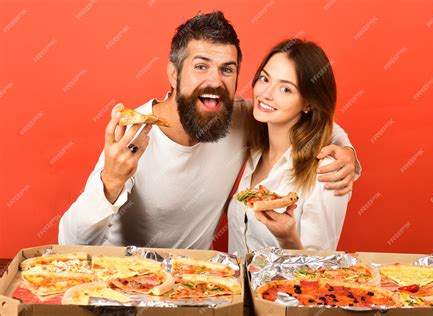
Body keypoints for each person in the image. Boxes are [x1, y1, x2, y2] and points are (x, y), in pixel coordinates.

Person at [58, 11, 359, 250]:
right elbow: (69, 242)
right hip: (125, 290)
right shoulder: (134, 133)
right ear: (173, 74)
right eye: (201, 66)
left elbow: (307, 118)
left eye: (226, 69)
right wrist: (110, 181)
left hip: (200, 290)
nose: (215, 81)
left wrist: (347, 153)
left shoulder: (237, 117)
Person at [228, 39, 350, 256]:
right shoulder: (255, 149)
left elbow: (318, 271)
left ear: (308, 103)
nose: (266, 93)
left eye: (285, 89)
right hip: (236, 288)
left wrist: (288, 239)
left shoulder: (327, 172)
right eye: (265, 79)